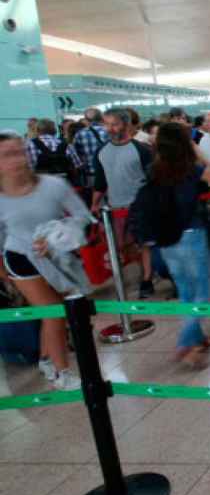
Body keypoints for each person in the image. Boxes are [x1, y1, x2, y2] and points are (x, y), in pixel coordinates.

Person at [0, 131, 90, 390]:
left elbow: (81, 216)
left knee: (52, 310)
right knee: (54, 313)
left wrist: (60, 233)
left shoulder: (53, 185)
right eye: (8, 154)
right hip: (20, 259)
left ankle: (45, 359)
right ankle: (62, 372)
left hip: (57, 259)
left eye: (20, 151)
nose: (18, 159)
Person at [148, 123, 210, 367]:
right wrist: (199, 154)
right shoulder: (191, 170)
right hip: (191, 235)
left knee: (186, 292)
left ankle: (196, 344)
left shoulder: (152, 170)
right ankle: (185, 342)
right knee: (204, 294)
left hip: (166, 237)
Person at [91, 108, 156, 299]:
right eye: (107, 124)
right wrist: (94, 204)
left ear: (126, 125)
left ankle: (147, 279)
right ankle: (146, 272)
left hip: (140, 207)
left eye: (115, 124)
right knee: (126, 247)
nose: (110, 129)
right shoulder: (101, 151)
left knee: (144, 244)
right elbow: (100, 181)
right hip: (116, 208)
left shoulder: (142, 150)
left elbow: (153, 179)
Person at [70, 107, 108, 196]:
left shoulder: (80, 134)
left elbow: (76, 155)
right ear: (102, 118)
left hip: (91, 174)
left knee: (96, 201)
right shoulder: (110, 131)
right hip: (110, 172)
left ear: (86, 120)